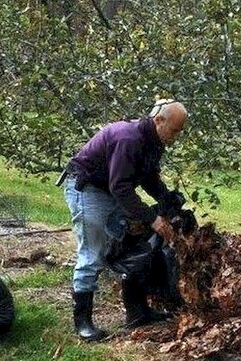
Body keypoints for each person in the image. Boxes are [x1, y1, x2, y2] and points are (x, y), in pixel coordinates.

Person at [63, 99, 187, 341]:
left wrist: (166, 199)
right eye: (174, 130)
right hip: (87, 189)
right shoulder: (128, 139)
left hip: (110, 190)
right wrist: (153, 219)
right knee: (93, 253)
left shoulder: (154, 141)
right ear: (159, 120)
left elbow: (148, 178)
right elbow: (120, 187)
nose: (176, 136)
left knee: (133, 244)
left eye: (179, 131)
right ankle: (83, 323)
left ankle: (137, 313)